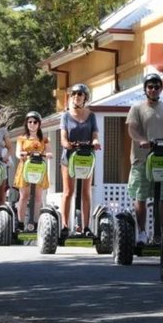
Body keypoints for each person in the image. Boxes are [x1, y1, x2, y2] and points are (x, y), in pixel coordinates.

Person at [127, 74, 163, 244]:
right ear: (145, 89)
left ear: (161, 89)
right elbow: (132, 130)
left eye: (157, 87)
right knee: (140, 197)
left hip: (161, 159)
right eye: (150, 86)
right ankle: (141, 232)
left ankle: (162, 234)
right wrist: (141, 140)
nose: (153, 89)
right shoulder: (137, 108)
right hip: (141, 160)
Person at [60, 84, 101, 234]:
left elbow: (95, 135)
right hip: (69, 157)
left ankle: (86, 227)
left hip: (86, 157)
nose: (76, 96)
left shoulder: (91, 116)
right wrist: (67, 144)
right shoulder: (65, 116)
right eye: (74, 94)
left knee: (85, 192)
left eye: (80, 94)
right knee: (68, 191)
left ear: (85, 97)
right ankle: (65, 226)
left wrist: (95, 143)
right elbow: (63, 138)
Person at [13, 111, 51, 229]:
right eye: (30, 122)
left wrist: (48, 154)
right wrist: (21, 154)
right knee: (24, 196)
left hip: (39, 169)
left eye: (35, 122)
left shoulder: (44, 139)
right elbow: (18, 152)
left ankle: (34, 223)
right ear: (26, 123)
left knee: (38, 197)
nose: (32, 124)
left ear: (39, 124)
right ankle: (20, 223)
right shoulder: (22, 138)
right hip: (25, 168)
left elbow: (49, 151)